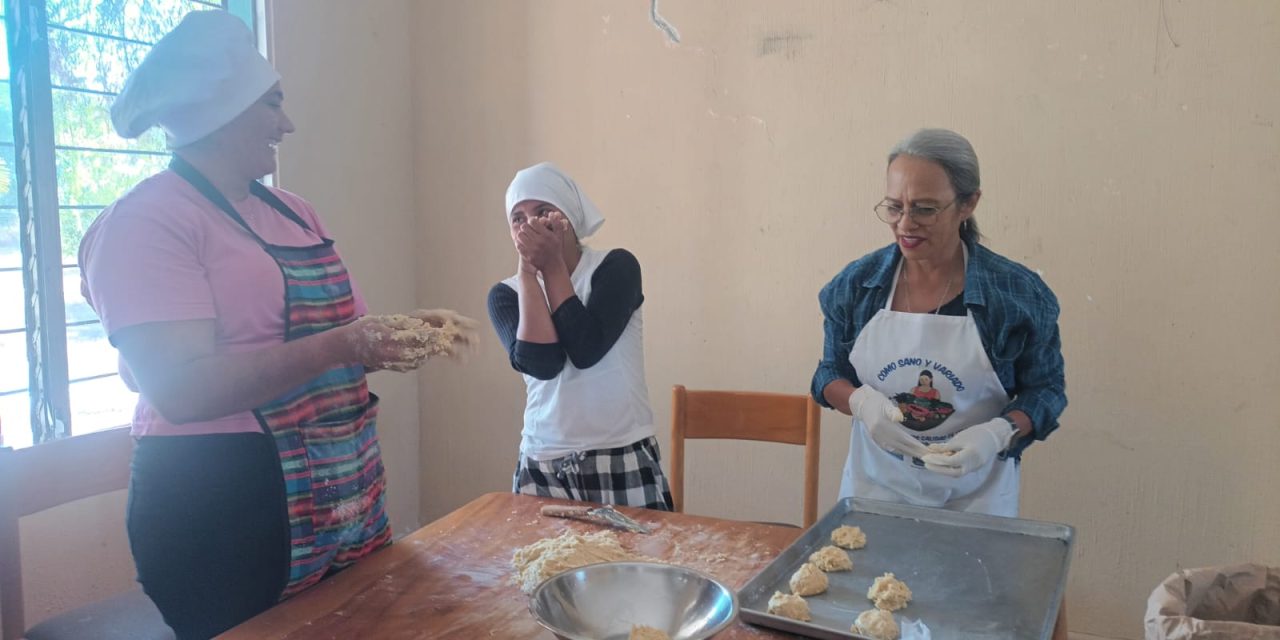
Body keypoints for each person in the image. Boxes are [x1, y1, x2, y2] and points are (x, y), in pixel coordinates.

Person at [78, 11, 476, 639]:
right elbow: (180, 391)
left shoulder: (294, 213)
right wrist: (345, 343)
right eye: (272, 104)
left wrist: (396, 335)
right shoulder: (145, 224)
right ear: (222, 111)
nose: (286, 124)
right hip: (223, 507)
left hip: (341, 488)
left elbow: (333, 341)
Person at [810, 128, 1067, 518]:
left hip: (977, 497)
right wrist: (861, 403)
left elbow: (1046, 391)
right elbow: (828, 375)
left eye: (925, 209)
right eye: (894, 207)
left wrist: (999, 433)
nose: (905, 224)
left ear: (968, 204)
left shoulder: (1016, 295)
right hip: (876, 491)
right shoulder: (856, 286)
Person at [486, 162, 673, 510]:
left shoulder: (615, 267)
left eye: (543, 211)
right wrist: (529, 275)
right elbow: (543, 364)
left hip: (620, 450)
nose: (530, 225)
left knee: (635, 562)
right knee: (545, 565)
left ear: (569, 216)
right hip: (542, 461)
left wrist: (553, 265)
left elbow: (586, 348)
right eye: (518, 218)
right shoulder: (505, 294)